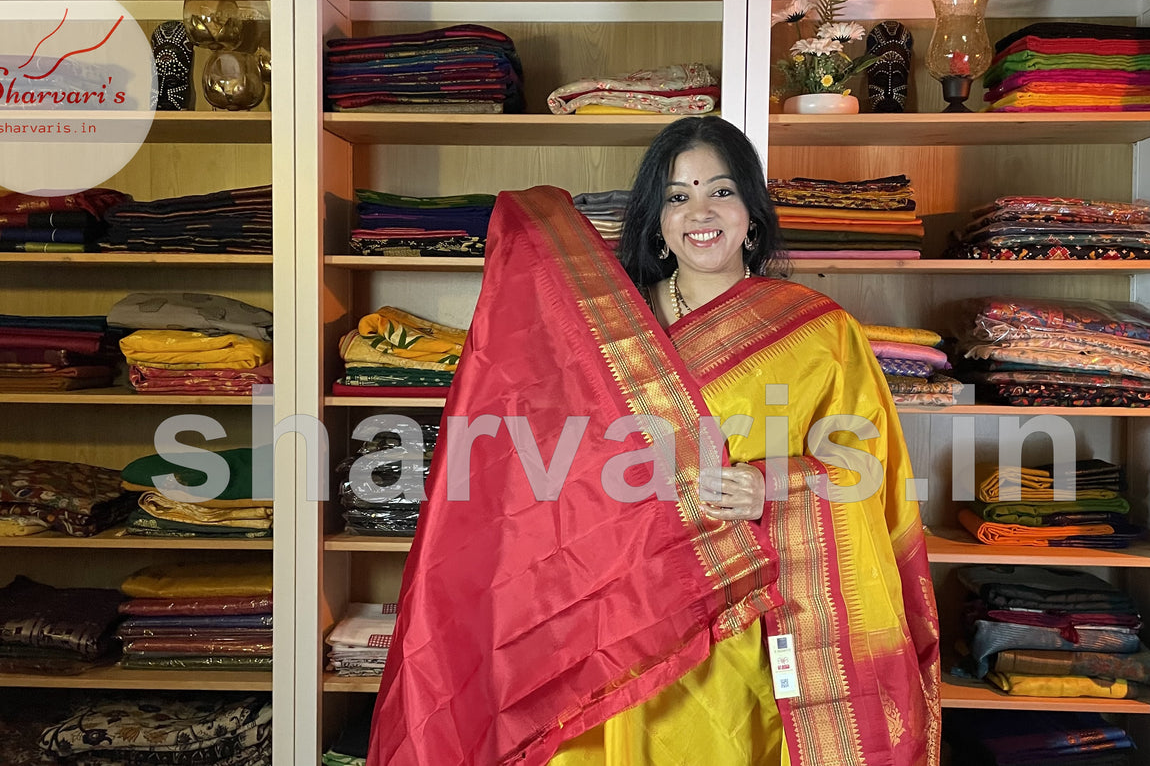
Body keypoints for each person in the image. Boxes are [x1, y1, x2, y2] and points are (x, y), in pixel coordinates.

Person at [370, 117, 940, 766]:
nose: (700, 211)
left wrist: (768, 483)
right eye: (677, 196)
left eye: (719, 191)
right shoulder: (605, 336)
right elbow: (540, 465)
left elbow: (863, 464)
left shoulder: (819, 332)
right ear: (658, 222)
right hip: (611, 621)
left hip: (741, 621)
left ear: (751, 213)